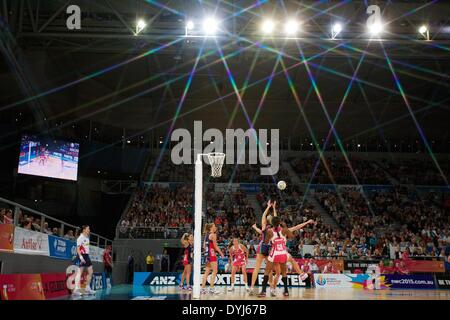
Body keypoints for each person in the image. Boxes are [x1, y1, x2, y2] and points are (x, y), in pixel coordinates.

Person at [258, 217, 315, 297]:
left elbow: (265, 242)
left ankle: (268, 290)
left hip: (273, 254)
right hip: (283, 253)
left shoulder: (269, 231)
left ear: (271, 223)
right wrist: (307, 222)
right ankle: (300, 274)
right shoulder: (284, 230)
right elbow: (296, 227)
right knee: (287, 265)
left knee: (273, 273)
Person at [248, 200, 276, 296]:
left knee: (267, 270)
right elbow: (265, 216)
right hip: (265, 247)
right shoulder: (269, 227)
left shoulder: (270, 227)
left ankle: (270, 289)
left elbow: (269, 217)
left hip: (267, 247)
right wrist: (270, 207)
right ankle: (253, 287)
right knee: (262, 268)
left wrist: (271, 207)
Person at [201, 223, 224, 295]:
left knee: (206, 272)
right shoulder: (213, 235)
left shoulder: (206, 235)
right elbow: (216, 247)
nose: (215, 227)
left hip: (207, 255)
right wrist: (221, 253)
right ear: (211, 227)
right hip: (212, 254)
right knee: (215, 271)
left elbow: (204, 246)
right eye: (214, 226)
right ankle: (211, 289)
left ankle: (203, 289)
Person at [72, 225, 96, 296]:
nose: (89, 230)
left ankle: (87, 288)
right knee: (80, 272)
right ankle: (76, 290)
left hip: (86, 256)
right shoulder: (80, 238)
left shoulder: (87, 237)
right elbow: (78, 249)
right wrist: (81, 257)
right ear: (84, 230)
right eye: (88, 229)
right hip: (82, 256)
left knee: (90, 271)